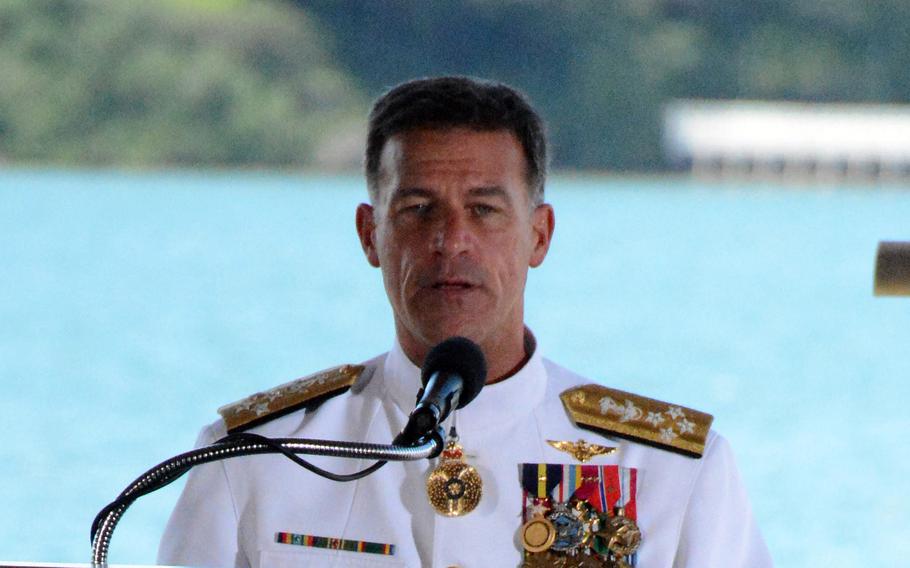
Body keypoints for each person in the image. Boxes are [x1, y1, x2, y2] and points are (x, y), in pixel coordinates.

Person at [158, 76, 772, 567]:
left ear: (539, 234)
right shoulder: (256, 458)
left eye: (484, 209)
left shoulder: (668, 470)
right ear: (371, 235)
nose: (452, 241)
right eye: (419, 209)